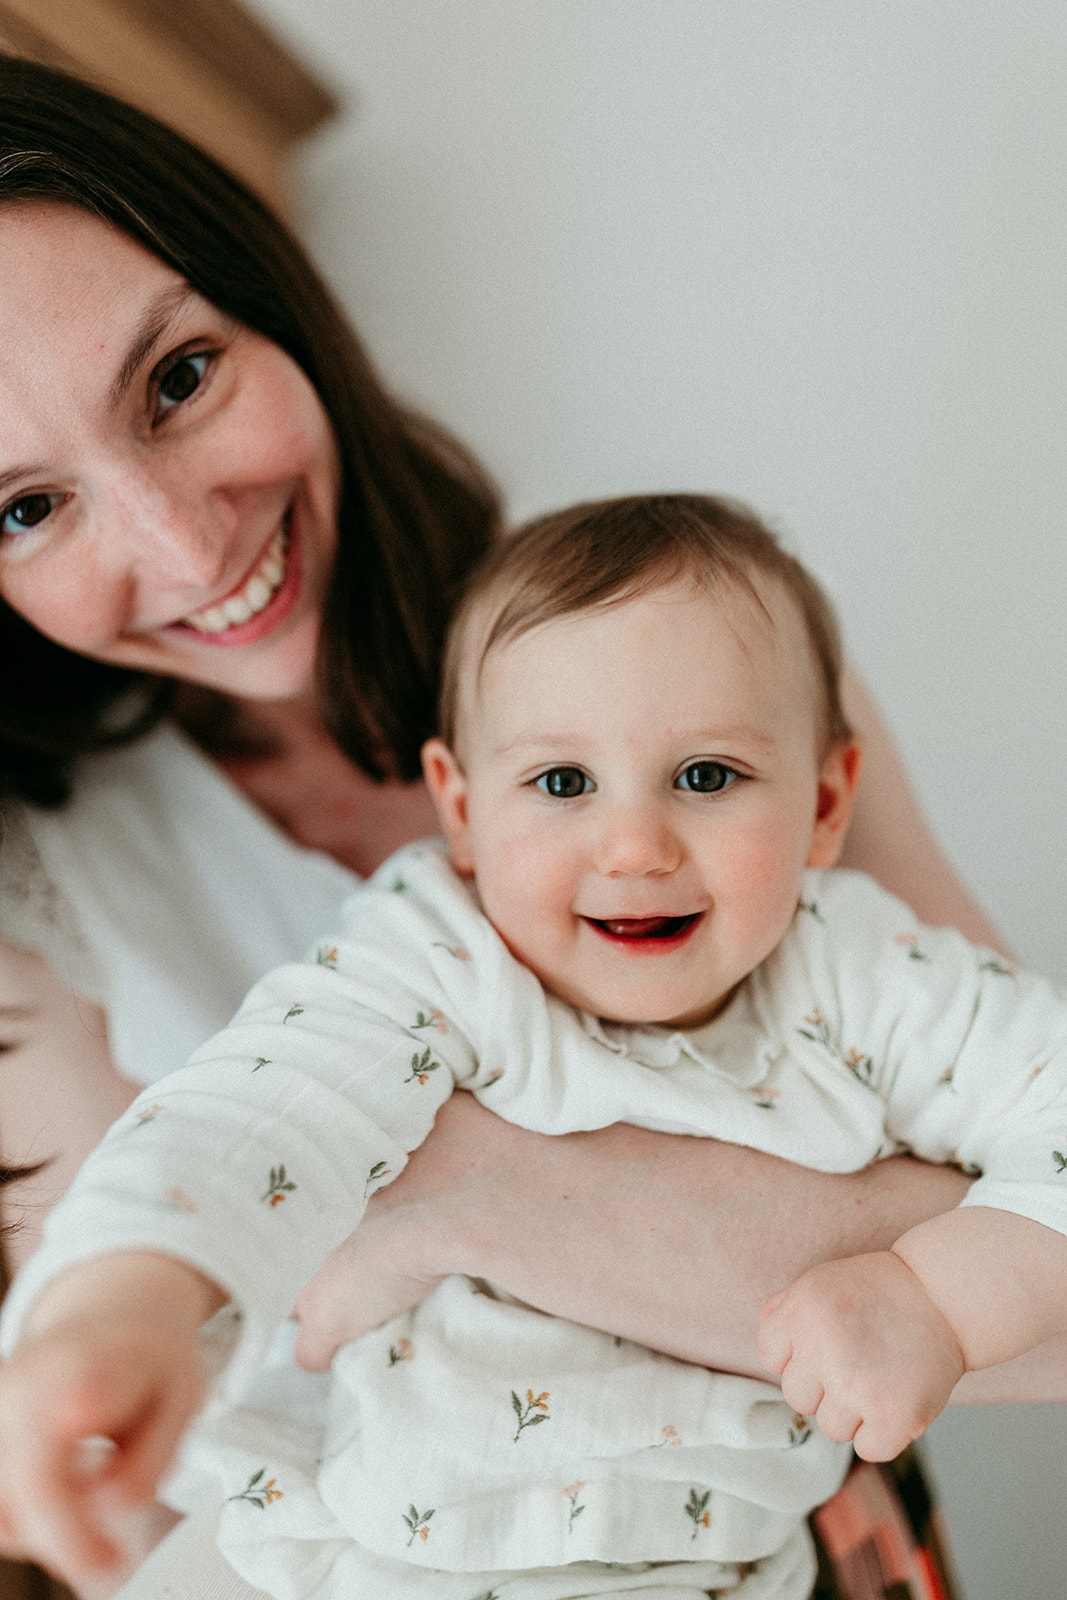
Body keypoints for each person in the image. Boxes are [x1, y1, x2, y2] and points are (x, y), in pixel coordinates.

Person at [0, 53, 1048, 1600]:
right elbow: (143, 1368)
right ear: (454, 804)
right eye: (24, 507)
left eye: (178, 380)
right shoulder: (54, 895)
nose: (181, 541)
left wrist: (450, 1205)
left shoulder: (704, 655)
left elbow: (1041, 1251)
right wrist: (127, 1306)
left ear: (274, 304)